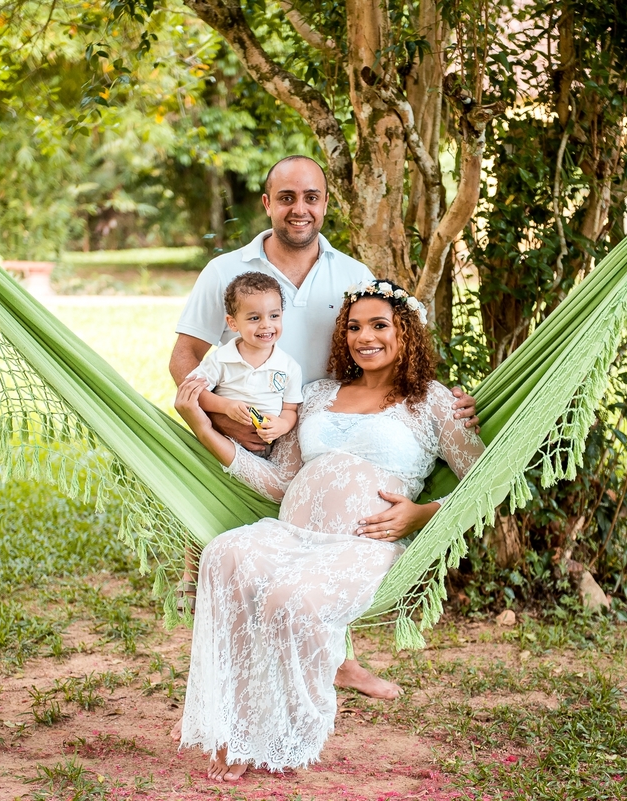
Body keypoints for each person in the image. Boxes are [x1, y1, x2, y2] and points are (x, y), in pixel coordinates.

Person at [169, 154, 478, 699]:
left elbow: (480, 476)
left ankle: (335, 661)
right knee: (237, 561)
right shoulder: (226, 274)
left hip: (332, 423)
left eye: (311, 197)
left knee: (307, 576)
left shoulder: (353, 276)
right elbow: (186, 357)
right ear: (266, 204)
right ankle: (242, 705)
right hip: (259, 430)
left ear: (326, 203)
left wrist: (437, 423)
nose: (299, 208)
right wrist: (219, 416)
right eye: (286, 197)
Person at [173, 280, 485, 780]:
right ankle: (230, 723)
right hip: (290, 534)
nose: (365, 337)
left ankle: (274, 736)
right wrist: (203, 429)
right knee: (223, 555)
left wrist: (423, 513)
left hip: (359, 546)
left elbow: (484, 485)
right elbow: (279, 482)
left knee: (290, 600)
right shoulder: (317, 396)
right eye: (355, 327)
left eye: (380, 325)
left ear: (405, 332)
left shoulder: (433, 403)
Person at [187, 271, 302, 448]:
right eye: (255, 318)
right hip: (223, 443)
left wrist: (283, 425)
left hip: (268, 448)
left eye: (274, 316)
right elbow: (195, 394)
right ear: (233, 323)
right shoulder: (221, 359)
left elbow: (290, 409)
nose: (266, 325)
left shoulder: (289, 367)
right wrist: (226, 407)